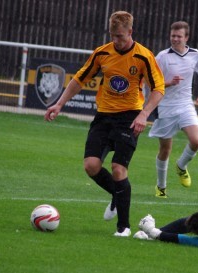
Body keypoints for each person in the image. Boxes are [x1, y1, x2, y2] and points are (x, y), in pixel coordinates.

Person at [44, 11, 165, 237]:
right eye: (112, 35)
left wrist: (144, 114)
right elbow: (80, 78)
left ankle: (124, 227)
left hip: (130, 117)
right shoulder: (102, 53)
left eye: (120, 36)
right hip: (103, 116)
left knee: (119, 169)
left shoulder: (143, 56)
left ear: (130, 32)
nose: (116, 40)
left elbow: (158, 88)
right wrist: (58, 104)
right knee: (91, 166)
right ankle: (117, 196)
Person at [148, 21, 198, 198]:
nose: (175, 39)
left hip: (185, 105)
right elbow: (151, 81)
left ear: (186, 38)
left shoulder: (195, 55)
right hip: (165, 106)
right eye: (173, 36)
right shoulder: (162, 57)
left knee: (197, 140)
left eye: (179, 36)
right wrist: (168, 83)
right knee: (165, 149)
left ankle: (181, 166)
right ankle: (161, 187)